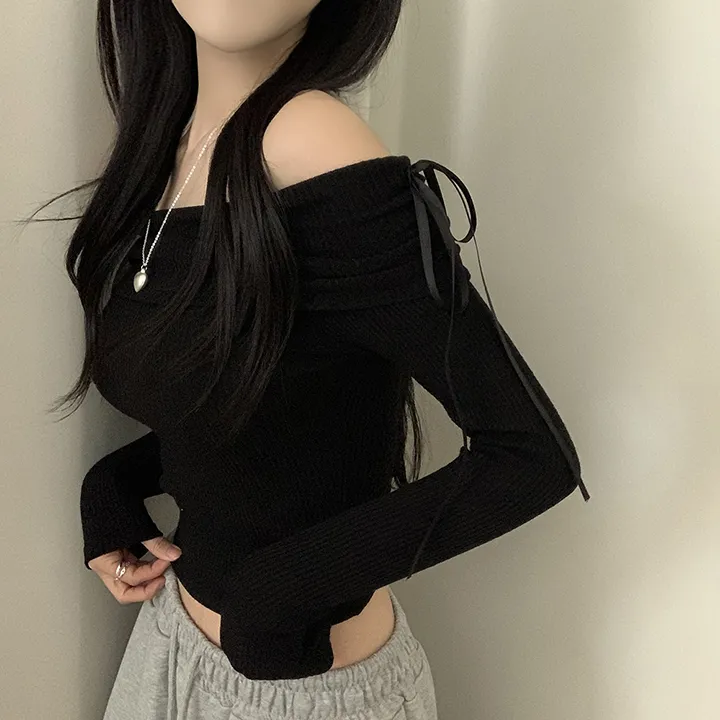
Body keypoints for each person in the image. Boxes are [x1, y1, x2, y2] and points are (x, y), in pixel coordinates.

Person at [27, 1, 590, 718]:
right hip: (170, 643)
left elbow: (531, 455)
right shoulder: (172, 146)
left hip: (305, 693)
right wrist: (112, 485)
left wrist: (279, 592)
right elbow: (269, 410)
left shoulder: (315, 144)